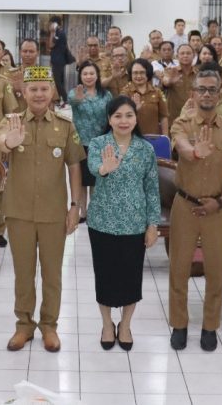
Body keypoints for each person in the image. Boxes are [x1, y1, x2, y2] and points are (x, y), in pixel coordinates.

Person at [0, 66, 84, 352]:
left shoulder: (65, 125)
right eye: (33, 88)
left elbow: (74, 165)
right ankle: (24, 326)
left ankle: (49, 326)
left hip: (53, 212)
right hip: (19, 211)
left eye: (44, 88)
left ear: (52, 93)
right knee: (23, 273)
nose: (38, 94)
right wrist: (8, 143)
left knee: (52, 274)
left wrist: (75, 206)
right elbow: (1, 145)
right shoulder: (11, 122)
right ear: (23, 92)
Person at [168, 69, 222, 351]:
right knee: (179, 269)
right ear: (193, 92)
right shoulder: (182, 123)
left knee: (216, 271)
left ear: (220, 93)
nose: (206, 94)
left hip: (217, 207)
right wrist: (194, 152)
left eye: (211, 89)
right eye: (201, 89)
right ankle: (179, 325)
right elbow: (180, 146)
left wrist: (221, 201)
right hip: (185, 206)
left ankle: (209, 327)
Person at [86, 97, 160, 352]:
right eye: (118, 116)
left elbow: (152, 189)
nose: (124, 121)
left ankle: (125, 325)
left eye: (129, 115)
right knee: (105, 276)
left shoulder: (145, 149)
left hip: (134, 224)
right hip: (102, 222)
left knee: (131, 277)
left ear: (136, 119)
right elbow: (94, 168)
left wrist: (153, 224)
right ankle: (107, 324)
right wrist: (105, 168)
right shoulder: (98, 144)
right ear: (109, 119)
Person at [69, 61, 113, 220]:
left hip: (100, 142)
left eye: (91, 73)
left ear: (97, 75)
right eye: (85, 74)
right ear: (80, 76)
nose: (88, 76)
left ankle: (94, 211)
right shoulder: (75, 93)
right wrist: (78, 100)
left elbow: (111, 115)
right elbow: (72, 102)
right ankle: (82, 213)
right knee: (81, 180)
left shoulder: (106, 95)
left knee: (97, 178)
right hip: (80, 143)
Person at [121, 59, 168, 136]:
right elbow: (121, 117)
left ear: (148, 73)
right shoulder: (125, 93)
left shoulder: (157, 92)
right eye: (135, 73)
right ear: (131, 74)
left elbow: (164, 117)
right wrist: (134, 109)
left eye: (142, 72)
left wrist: (166, 137)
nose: (139, 76)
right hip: (132, 139)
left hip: (153, 138)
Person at [162, 45, 198, 126]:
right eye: (182, 53)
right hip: (174, 118)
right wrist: (170, 81)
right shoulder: (170, 72)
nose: (185, 55)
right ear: (177, 56)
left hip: (193, 118)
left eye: (188, 53)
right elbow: (165, 81)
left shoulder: (199, 74)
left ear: (194, 56)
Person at [46, 17, 71, 104]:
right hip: (58, 60)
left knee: (57, 82)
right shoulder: (61, 32)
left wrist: (52, 32)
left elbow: (51, 45)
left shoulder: (58, 33)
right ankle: (62, 99)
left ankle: (65, 100)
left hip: (58, 61)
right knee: (58, 80)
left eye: (50, 24)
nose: (49, 26)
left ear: (54, 24)